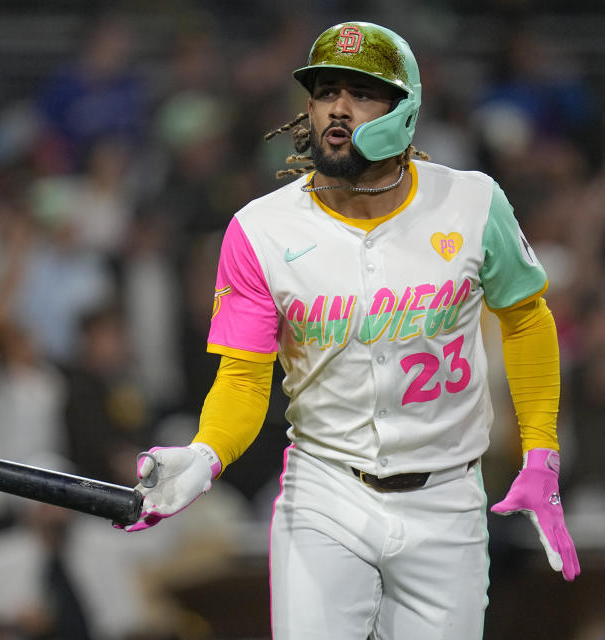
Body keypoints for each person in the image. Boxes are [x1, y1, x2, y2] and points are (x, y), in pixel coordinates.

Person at [121, 21, 580, 639]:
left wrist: (541, 450)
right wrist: (207, 454)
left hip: (447, 500)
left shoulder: (473, 203)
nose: (338, 106)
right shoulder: (260, 231)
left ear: (407, 108)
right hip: (325, 493)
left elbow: (526, 318)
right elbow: (242, 377)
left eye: (362, 91)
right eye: (325, 90)